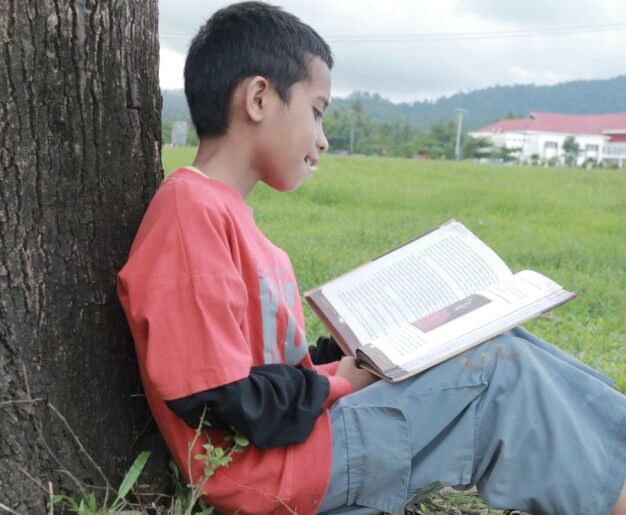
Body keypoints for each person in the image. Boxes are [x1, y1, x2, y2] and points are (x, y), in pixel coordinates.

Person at [117, 2, 626, 513]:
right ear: (258, 98)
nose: (322, 139)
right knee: (498, 369)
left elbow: (269, 368)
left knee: (498, 339)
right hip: (267, 470)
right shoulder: (190, 211)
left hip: (294, 447)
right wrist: (342, 380)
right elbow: (221, 397)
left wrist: (364, 355)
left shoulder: (231, 220)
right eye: (316, 111)